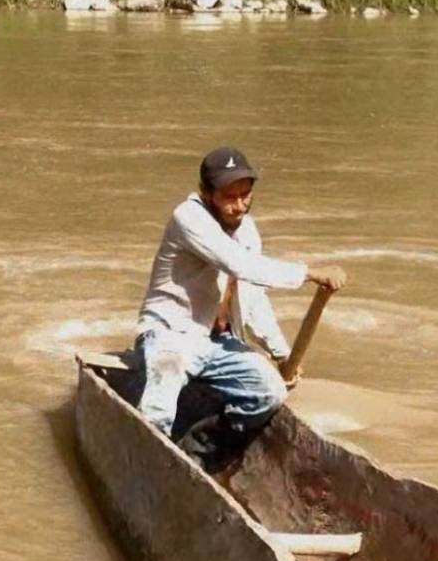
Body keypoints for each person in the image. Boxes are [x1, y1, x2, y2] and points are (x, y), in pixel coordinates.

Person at [134, 146, 346, 439]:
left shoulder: (247, 231)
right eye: (229, 198)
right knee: (158, 408)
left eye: (245, 195)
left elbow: (251, 297)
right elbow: (239, 264)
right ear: (206, 194)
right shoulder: (188, 217)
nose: (239, 206)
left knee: (268, 393)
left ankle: (199, 451)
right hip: (171, 335)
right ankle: (151, 457)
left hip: (219, 343)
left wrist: (281, 352)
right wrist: (308, 273)